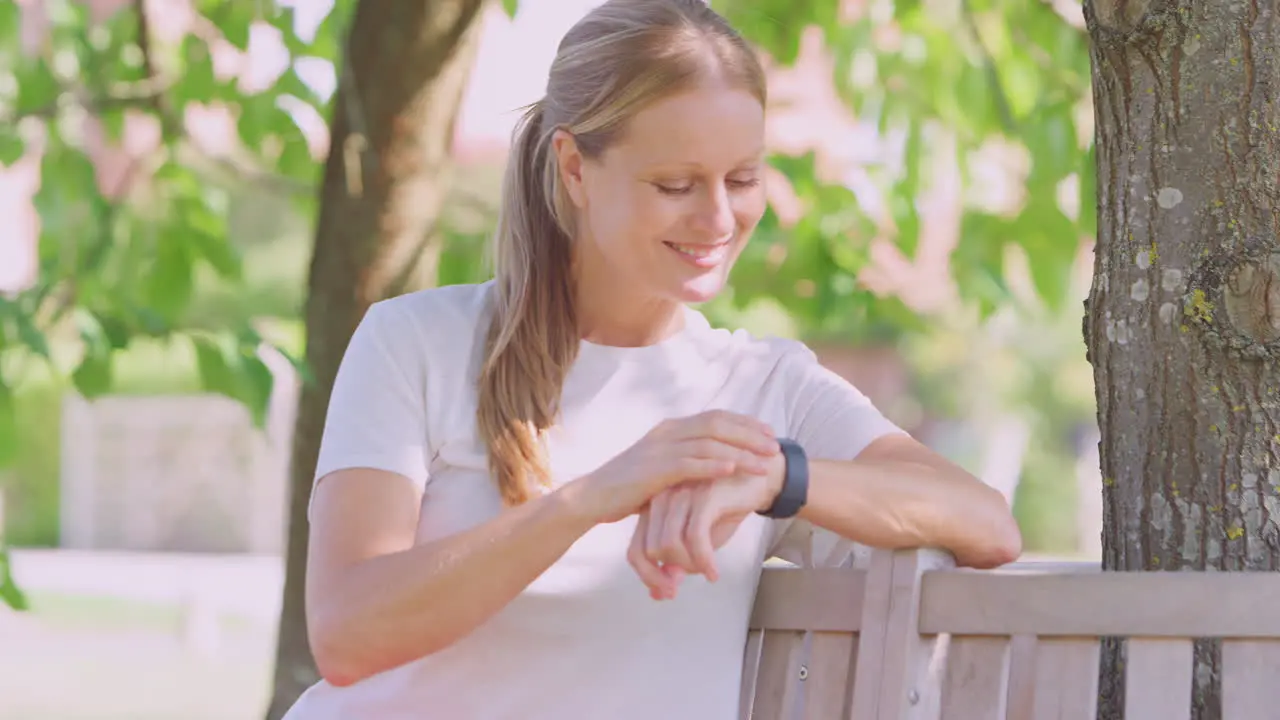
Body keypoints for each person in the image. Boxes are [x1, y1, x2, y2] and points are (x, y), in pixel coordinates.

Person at [282, 0, 1021, 717]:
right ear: (574, 167)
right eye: (676, 185)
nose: (719, 218)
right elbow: (348, 634)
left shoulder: (766, 386)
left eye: (742, 179)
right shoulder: (416, 342)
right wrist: (594, 497)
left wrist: (778, 476)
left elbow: (987, 523)